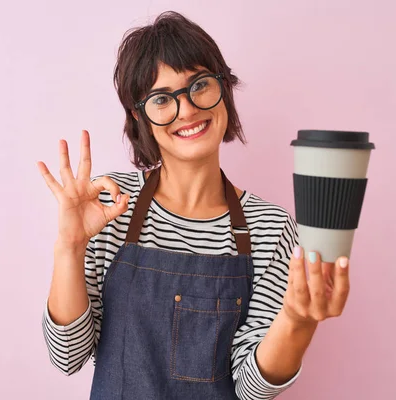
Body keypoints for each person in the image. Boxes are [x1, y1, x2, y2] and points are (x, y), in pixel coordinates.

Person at [37, 11, 350, 400]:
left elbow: (252, 390)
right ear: (140, 116)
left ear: (224, 88)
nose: (186, 110)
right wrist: (69, 246)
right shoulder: (107, 207)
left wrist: (298, 319)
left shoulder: (271, 228)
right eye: (162, 98)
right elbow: (68, 355)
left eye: (199, 85)